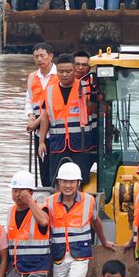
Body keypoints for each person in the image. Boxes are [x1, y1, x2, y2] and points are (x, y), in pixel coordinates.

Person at [35, 54, 97, 186]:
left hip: (80, 144)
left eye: (68, 71)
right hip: (58, 145)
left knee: (81, 180)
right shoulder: (50, 90)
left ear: (75, 71)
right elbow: (46, 116)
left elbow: (98, 108)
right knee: (56, 180)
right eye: (61, 71)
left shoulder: (86, 87)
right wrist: (41, 141)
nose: (64, 75)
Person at [45, 161, 95, 277]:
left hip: (80, 255)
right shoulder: (49, 201)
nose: (68, 186)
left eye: (72, 182)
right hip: (59, 256)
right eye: (64, 182)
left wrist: (104, 241)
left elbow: (96, 221)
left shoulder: (89, 200)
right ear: (59, 182)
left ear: (78, 183)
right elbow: (43, 225)